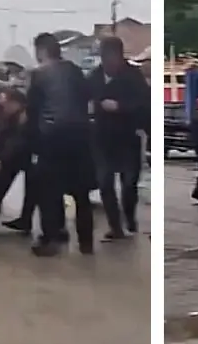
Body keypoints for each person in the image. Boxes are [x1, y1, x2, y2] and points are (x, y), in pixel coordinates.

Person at [26, 32, 94, 256]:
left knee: (49, 191)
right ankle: (86, 243)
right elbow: (85, 100)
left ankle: (52, 238)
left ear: (42, 51)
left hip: (52, 138)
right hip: (80, 138)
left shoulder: (38, 75)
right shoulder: (75, 71)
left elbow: (33, 111)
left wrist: (33, 143)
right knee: (81, 193)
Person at [88, 36, 150, 239]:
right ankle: (115, 226)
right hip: (102, 137)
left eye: (113, 57)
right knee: (105, 182)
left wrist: (121, 106)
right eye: (105, 58)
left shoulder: (133, 76)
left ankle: (129, 218)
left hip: (127, 137)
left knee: (129, 183)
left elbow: (145, 103)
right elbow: (84, 98)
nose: (109, 63)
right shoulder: (95, 76)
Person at [0, 88, 36, 230]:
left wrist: (0, 160)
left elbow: (18, 142)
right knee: (2, 180)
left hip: (31, 153)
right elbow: (4, 139)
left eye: (5, 104)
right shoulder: (9, 117)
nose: (2, 108)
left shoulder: (27, 117)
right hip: (17, 154)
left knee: (34, 187)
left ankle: (26, 219)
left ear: (16, 103)